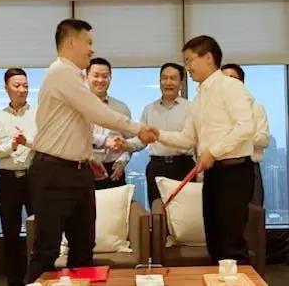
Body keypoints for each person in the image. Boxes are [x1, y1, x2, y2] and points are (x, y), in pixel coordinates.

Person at [26, 19, 151, 283]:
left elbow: (75, 127)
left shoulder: (76, 78)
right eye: (89, 42)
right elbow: (98, 113)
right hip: (54, 172)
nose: (92, 49)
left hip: (79, 172)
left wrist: (88, 155)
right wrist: (139, 129)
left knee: (84, 247)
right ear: (72, 42)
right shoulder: (60, 72)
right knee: (47, 249)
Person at [141, 35, 256, 264]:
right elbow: (187, 138)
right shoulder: (199, 97)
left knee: (231, 244)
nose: (188, 67)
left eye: (190, 60)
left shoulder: (229, 86)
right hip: (213, 174)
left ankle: (238, 279)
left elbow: (246, 126)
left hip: (234, 172)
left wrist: (213, 152)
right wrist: (158, 134)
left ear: (209, 58)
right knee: (214, 242)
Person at [0, 68, 36, 286]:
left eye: (25, 85)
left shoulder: (38, 114)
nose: (22, 90)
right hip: (7, 180)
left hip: (35, 178)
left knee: (40, 229)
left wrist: (27, 142)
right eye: (17, 86)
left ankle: (39, 277)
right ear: (6, 88)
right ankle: (14, 281)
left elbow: (46, 144)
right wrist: (11, 146)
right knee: (10, 232)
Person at [125, 62, 195, 207]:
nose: (168, 82)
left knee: (185, 211)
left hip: (184, 166)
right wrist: (126, 144)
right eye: (164, 78)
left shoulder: (191, 108)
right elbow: (142, 140)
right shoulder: (149, 109)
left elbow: (195, 140)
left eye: (173, 78)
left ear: (181, 83)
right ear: (159, 81)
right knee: (158, 211)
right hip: (157, 166)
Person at [221, 63, 270, 206]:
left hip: (248, 167)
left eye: (233, 78)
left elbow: (263, 140)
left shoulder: (255, 108)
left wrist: (236, 136)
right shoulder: (212, 110)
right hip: (219, 169)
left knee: (253, 213)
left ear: (241, 83)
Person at [86, 57, 132, 190]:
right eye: (96, 75)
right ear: (86, 77)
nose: (100, 80)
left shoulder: (121, 108)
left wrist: (123, 160)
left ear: (110, 78)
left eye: (105, 76)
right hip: (85, 169)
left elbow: (130, 142)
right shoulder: (76, 106)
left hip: (113, 171)